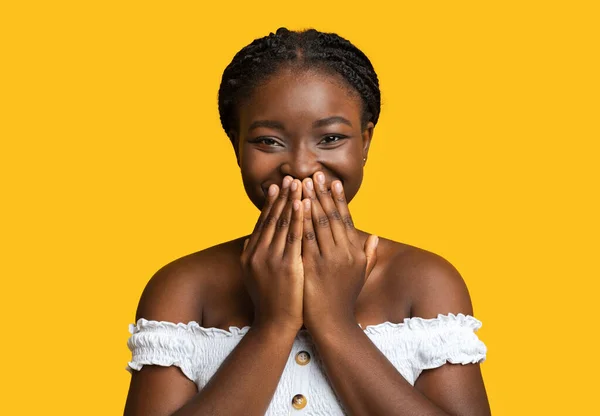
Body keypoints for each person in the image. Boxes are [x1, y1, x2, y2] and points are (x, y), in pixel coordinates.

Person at [124, 28, 491, 416]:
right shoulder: (183, 287)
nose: (299, 167)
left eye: (330, 138)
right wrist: (275, 324)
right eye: (268, 141)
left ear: (365, 142)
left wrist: (334, 323)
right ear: (236, 145)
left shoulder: (426, 281)